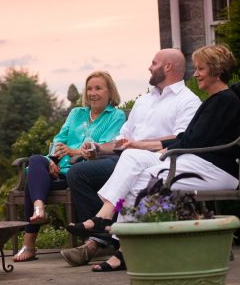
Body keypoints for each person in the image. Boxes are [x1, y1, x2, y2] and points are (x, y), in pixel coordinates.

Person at [73, 44, 240, 272]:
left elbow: (194, 140)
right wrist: (156, 148)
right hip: (193, 161)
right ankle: (113, 228)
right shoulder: (213, 100)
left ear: (216, 71)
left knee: (144, 180)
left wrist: (163, 150)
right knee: (134, 162)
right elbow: (190, 139)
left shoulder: (225, 101)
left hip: (215, 169)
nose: (196, 74)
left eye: (201, 69)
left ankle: (118, 241)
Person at [60, 48, 202, 267]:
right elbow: (121, 140)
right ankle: (103, 235)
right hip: (126, 159)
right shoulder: (144, 101)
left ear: (168, 67)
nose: (149, 67)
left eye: (153, 63)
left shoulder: (188, 101)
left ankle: (99, 234)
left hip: (160, 160)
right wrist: (97, 148)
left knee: (118, 166)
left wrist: (140, 145)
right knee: (79, 172)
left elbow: (182, 139)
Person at [13, 71, 126, 262]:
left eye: (98, 88)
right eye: (89, 89)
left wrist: (73, 152)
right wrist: (52, 160)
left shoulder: (116, 116)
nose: (93, 93)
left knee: (34, 182)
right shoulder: (76, 114)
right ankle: (39, 209)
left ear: (110, 92)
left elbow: (103, 148)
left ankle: (29, 243)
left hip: (87, 170)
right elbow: (60, 139)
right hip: (60, 170)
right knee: (36, 161)